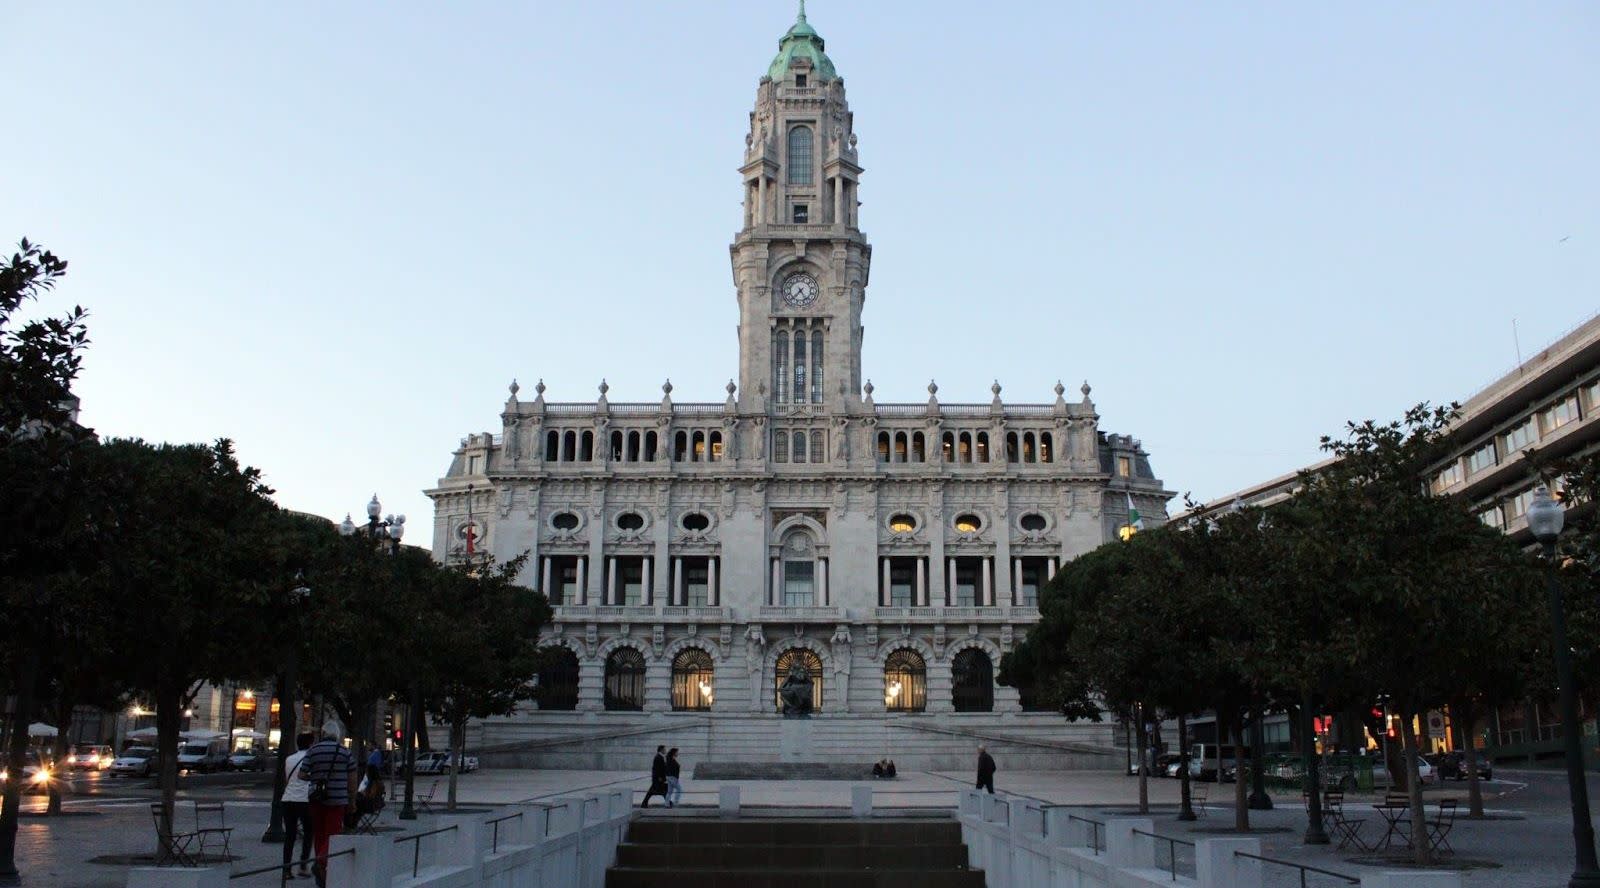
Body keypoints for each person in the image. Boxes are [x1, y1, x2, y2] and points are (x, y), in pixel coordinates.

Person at [300, 723, 357, 887]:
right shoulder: (345, 752)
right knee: (333, 834)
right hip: (338, 799)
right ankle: (321, 862)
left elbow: (301, 774)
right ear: (337, 735)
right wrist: (352, 800)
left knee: (319, 834)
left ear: (323, 733)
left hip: (317, 799)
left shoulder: (313, 750)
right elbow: (352, 779)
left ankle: (322, 872)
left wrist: (316, 778)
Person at [279, 732, 315, 881]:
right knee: (308, 833)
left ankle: (286, 869)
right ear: (310, 744)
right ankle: (303, 865)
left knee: (290, 835)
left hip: (288, 798)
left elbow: (287, 778)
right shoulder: (311, 758)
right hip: (304, 799)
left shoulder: (289, 759)